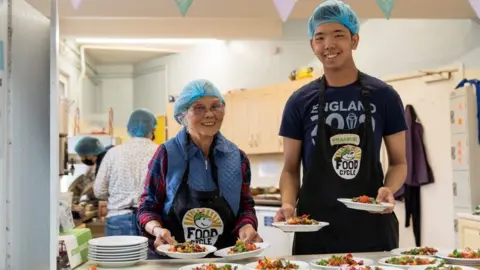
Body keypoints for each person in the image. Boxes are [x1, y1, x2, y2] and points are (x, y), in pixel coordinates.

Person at [274, 0, 407, 255]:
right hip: (314, 229)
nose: (329, 45)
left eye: (339, 35)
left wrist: (388, 189)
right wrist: (289, 204)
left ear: (354, 40)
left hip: (373, 227)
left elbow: (399, 162)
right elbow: (290, 169)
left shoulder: (384, 95)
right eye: (320, 37)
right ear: (312, 45)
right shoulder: (299, 101)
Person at [137, 79, 262, 259]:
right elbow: (147, 207)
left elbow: (245, 207)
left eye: (215, 106)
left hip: (224, 260)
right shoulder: (166, 154)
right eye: (199, 108)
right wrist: (156, 230)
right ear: (183, 115)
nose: (210, 114)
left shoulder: (237, 157)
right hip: (174, 260)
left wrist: (247, 226)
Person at [94, 108, 159, 236]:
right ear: (153, 129)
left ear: (129, 129)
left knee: (120, 256)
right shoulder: (161, 152)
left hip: (118, 218)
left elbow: (99, 191)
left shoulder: (113, 153)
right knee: (151, 257)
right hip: (151, 222)